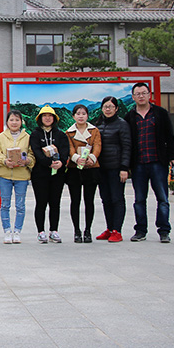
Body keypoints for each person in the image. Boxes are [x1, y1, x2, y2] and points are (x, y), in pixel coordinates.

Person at [124, 82, 174, 243]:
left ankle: (164, 230)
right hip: (138, 164)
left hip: (158, 162)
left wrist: (173, 157)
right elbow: (127, 142)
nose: (141, 96)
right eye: (138, 94)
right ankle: (140, 230)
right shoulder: (129, 116)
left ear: (149, 95)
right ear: (133, 97)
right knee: (139, 200)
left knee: (162, 199)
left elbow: (169, 136)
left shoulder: (160, 113)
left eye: (144, 93)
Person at [29, 104, 70, 244]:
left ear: (54, 118)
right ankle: (41, 231)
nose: (47, 118)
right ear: (40, 118)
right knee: (41, 203)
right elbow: (36, 152)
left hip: (57, 174)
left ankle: (54, 230)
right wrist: (49, 162)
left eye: (50, 116)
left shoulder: (61, 135)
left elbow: (65, 151)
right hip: (40, 174)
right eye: (44, 116)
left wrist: (61, 162)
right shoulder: (35, 134)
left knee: (55, 203)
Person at [0, 110, 35, 244]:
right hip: (5, 175)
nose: (14, 122)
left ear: (21, 122)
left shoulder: (27, 137)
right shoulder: (1, 137)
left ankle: (17, 231)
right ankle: (7, 231)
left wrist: (27, 161)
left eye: (17, 120)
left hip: (21, 176)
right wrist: (4, 161)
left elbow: (31, 154)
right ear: (7, 122)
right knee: (5, 204)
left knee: (20, 205)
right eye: (11, 120)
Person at [95, 96, 131, 243]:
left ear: (116, 108)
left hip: (116, 168)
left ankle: (117, 230)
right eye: (105, 107)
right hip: (101, 168)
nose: (108, 109)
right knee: (106, 199)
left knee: (117, 198)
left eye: (110, 107)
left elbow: (127, 147)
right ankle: (109, 229)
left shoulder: (122, 124)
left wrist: (124, 167)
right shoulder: (98, 124)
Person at [65, 104, 102, 243]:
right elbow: (69, 148)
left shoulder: (94, 131)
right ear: (73, 116)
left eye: (83, 113)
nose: (81, 116)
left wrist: (92, 158)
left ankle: (88, 231)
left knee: (89, 201)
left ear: (87, 115)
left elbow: (97, 145)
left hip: (91, 168)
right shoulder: (69, 132)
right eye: (78, 113)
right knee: (75, 201)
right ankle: (77, 231)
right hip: (75, 169)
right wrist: (76, 158)